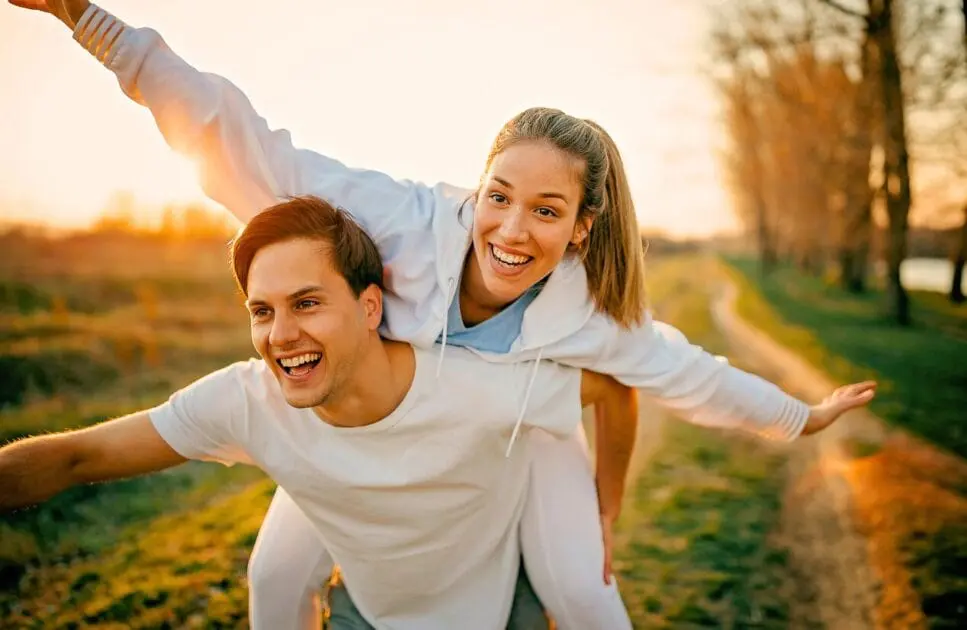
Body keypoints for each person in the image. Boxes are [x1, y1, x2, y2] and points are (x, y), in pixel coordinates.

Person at [9, 2, 879, 628]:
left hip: (512, 440)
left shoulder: (590, 318)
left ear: (581, 231)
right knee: (273, 580)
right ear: (476, 189)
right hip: (360, 426)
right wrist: (92, 24)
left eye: (545, 210)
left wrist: (799, 416)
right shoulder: (399, 222)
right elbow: (239, 142)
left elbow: (687, 375)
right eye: (497, 196)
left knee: (581, 592)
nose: (508, 228)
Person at [0, 196, 637, 630]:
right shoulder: (245, 400)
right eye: (262, 310)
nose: (280, 335)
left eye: (306, 303)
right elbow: (78, 455)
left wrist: (605, 507)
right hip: (367, 615)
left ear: (368, 308)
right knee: (273, 574)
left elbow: (612, 388)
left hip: (496, 613)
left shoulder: (478, 388)